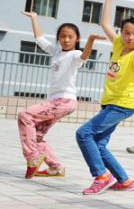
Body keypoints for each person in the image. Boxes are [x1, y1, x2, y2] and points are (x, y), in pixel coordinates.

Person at [76, 0, 134, 195]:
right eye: (127, 32)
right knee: (99, 145)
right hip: (110, 102)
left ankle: (101, 176)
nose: (130, 37)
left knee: (83, 134)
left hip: (123, 104)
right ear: (121, 33)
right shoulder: (119, 44)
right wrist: (109, 1)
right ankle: (125, 180)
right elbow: (105, 24)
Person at [18, 12, 94, 178]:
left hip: (65, 101)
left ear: (77, 39)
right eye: (62, 36)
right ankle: (56, 167)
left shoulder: (75, 55)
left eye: (70, 37)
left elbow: (85, 56)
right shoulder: (56, 52)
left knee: (25, 115)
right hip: (54, 102)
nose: (66, 40)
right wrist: (34, 18)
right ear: (58, 38)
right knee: (37, 136)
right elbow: (39, 39)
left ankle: (32, 158)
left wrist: (91, 40)